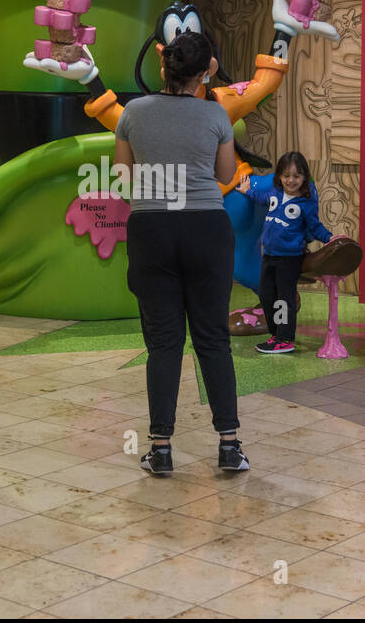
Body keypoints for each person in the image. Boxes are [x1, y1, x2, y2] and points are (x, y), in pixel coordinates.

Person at [114, 31, 248, 475]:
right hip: (207, 228)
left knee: (164, 343)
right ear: (207, 69)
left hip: (151, 227)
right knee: (213, 340)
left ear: (163, 68)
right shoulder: (216, 114)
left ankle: (162, 449)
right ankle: (229, 446)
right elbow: (226, 173)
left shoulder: (133, 112)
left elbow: (122, 173)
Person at [238, 151, 338, 353]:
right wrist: (247, 191)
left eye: (296, 176)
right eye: (286, 176)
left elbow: (315, 226)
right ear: (279, 177)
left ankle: (285, 339)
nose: (290, 180)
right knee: (267, 296)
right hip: (269, 256)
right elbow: (262, 198)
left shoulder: (305, 202)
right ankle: (276, 335)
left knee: (284, 299)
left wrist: (329, 238)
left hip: (289, 259)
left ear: (304, 177)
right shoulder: (275, 193)